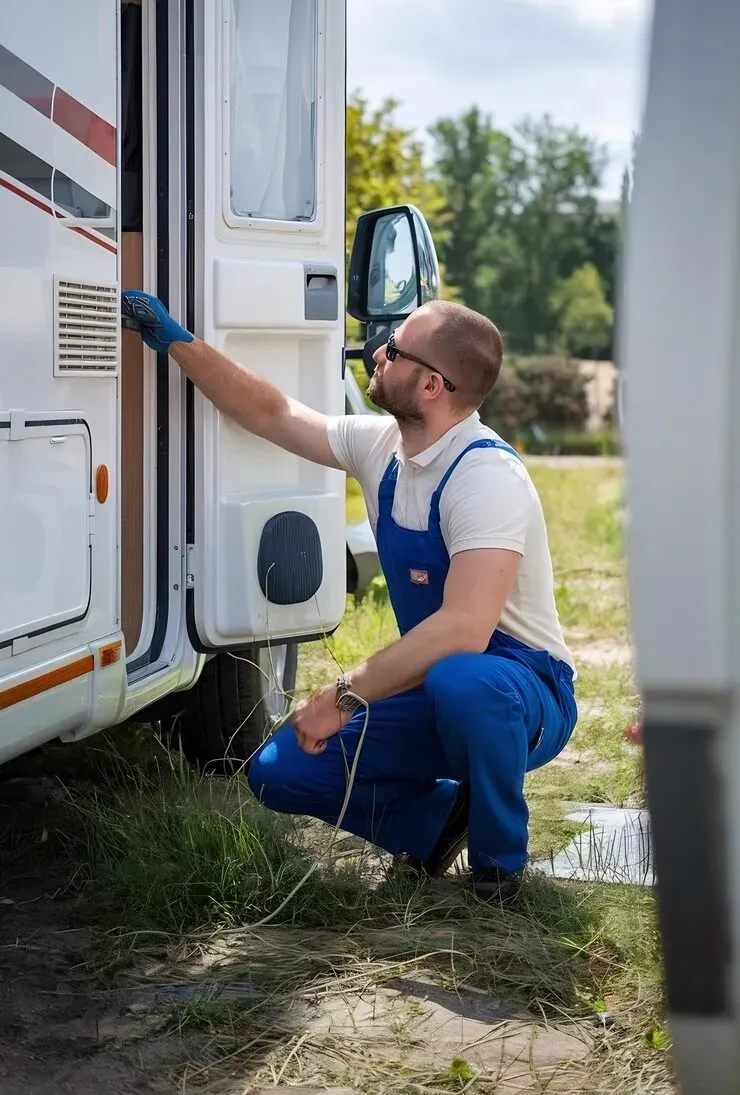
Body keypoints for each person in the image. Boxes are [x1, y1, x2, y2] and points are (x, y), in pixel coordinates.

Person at [122, 289, 577, 899]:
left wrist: (343, 694)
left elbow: (465, 630)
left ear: (432, 385)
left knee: (464, 681)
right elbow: (273, 412)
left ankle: (499, 869)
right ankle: (438, 824)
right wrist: (179, 344)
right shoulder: (382, 447)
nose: (377, 354)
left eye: (395, 350)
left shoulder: (486, 477)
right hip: (438, 683)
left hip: (524, 692)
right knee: (280, 772)